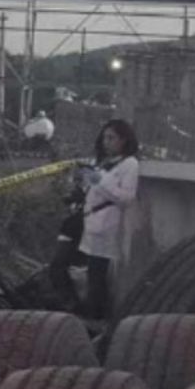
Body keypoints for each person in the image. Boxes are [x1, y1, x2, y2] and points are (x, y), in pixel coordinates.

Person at [48, 119, 140, 320]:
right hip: (83, 218)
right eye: (105, 137)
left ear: (124, 140)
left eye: (112, 138)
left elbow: (125, 198)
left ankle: (92, 317)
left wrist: (100, 180)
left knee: (96, 275)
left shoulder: (129, 164)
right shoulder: (100, 161)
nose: (107, 142)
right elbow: (89, 190)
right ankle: (72, 306)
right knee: (58, 265)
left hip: (103, 224)